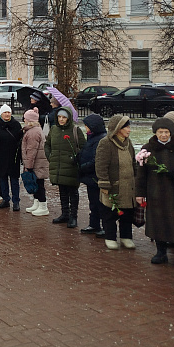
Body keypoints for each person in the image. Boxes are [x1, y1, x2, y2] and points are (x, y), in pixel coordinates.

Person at [135, 118, 174, 270]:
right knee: (159, 222)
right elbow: (141, 174)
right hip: (156, 193)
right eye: (160, 132)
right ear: (155, 133)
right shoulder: (147, 149)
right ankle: (161, 252)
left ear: (171, 133)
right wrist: (140, 193)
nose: (163, 135)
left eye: (166, 132)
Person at [95, 115, 136, 250]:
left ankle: (126, 237)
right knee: (110, 213)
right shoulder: (106, 143)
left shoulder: (128, 143)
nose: (129, 130)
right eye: (127, 127)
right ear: (118, 129)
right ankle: (110, 237)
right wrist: (104, 183)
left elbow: (133, 163)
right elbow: (101, 165)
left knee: (127, 213)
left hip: (128, 187)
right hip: (113, 186)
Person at [45, 107, 85, 228]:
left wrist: (75, 158)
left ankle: (73, 216)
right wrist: (50, 156)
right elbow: (47, 145)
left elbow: (83, 147)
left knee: (73, 192)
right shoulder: (54, 129)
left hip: (71, 167)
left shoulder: (75, 130)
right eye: (59, 117)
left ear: (68, 118)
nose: (61, 120)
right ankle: (65, 214)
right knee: (62, 191)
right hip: (58, 166)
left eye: (64, 117)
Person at [0, 104, 23, 210]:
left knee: (14, 180)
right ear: (1, 114)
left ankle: (16, 201)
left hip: (13, 157)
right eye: (5, 112)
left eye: (8, 112)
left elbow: (20, 139)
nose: (7, 114)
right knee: (2, 179)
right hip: (0, 156)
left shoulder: (16, 124)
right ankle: (6, 199)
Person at [79, 113, 107, 236]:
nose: (86, 129)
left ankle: (105, 227)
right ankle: (94, 224)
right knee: (93, 202)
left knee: (100, 203)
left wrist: (83, 167)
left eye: (87, 126)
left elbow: (97, 159)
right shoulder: (92, 137)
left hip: (96, 176)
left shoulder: (100, 139)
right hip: (90, 177)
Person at [21, 108, 49, 216]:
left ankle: (43, 205)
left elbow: (31, 151)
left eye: (25, 118)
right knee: (36, 183)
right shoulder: (34, 130)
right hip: (38, 163)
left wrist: (29, 165)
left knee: (38, 184)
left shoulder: (32, 133)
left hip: (37, 164)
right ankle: (37, 202)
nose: (24, 120)